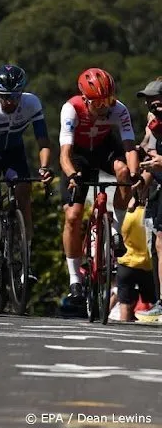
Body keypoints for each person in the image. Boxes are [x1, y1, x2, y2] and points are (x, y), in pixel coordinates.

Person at [59, 67, 140, 303]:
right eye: (98, 103)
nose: (105, 107)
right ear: (85, 98)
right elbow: (65, 153)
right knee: (73, 217)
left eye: (109, 100)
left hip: (105, 148)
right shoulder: (71, 108)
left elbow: (128, 147)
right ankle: (74, 277)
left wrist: (133, 175)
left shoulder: (119, 109)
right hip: (79, 156)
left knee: (124, 170)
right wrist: (73, 174)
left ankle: (116, 231)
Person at [0, 65, 53, 266]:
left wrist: (45, 167)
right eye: (5, 96)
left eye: (15, 96)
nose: (10, 101)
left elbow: (43, 142)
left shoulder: (31, 103)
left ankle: (26, 255)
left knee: (24, 194)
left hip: (14, 152)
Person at [134, 79, 162, 322]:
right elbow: (146, 146)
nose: (150, 104)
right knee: (157, 245)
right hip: (157, 186)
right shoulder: (153, 122)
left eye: (154, 100)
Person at [115, 196, 156, 322]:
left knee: (125, 307)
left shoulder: (127, 214)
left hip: (126, 263)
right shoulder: (151, 215)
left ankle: (122, 335)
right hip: (148, 266)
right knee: (153, 306)